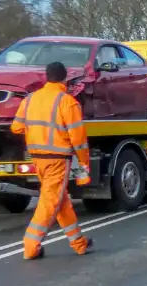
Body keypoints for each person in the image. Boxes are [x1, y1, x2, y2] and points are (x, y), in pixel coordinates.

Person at [11, 61, 93, 260]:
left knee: (60, 201)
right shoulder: (67, 101)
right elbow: (78, 138)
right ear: (65, 78)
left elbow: (16, 128)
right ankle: (31, 245)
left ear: (46, 77)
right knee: (50, 203)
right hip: (57, 160)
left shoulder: (30, 99)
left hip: (37, 159)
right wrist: (84, 163)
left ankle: (79, 243)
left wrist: (37, 134)